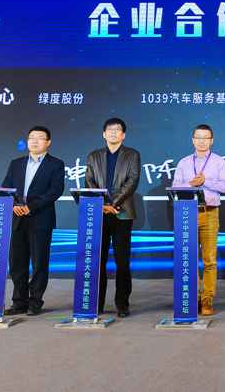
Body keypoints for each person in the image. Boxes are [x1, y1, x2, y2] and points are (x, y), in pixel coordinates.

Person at [2, 125, 65, 316]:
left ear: (48, 142)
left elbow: (55, 191)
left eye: (39, 138)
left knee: (39, 263)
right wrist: (14, 204)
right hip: (18, 218)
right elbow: (6, 187)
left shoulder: (56, 164)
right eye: (31, 138)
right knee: (17, 263)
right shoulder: (16, 164)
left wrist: (32, 206)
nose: (34, 141)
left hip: (41, 218)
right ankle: (19, 302)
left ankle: (35, 302)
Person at [172, 124, 225, 316]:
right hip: (187, 213)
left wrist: (205, 181)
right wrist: (191, 185)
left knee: (209, 260)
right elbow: (175, 186)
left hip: (210, 213)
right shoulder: (184, 163)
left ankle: (207, 301)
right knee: (188, 258)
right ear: (193, 140)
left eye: (206, 138)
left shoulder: (219, 162)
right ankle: (192, 298)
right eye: (198, 137)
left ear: (211, 140)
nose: (202, 141)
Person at [84, 117, 140, 318]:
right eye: (110, 129)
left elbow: (132, 181)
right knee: (97, 260)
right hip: (98, 213)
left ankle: (122, 303)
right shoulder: (94, 156)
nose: (113, 132)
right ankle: (96, 303)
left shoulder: (132, 155)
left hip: (122, 213)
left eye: (117, 130)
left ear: (123, 135)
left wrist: (113, 203)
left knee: (122, 261)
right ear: (103, 134)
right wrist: (102, 204)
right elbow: (89, 181)